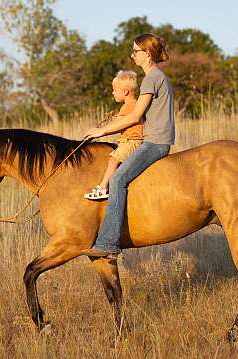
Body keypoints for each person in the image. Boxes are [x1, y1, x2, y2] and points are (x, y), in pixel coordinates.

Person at [81, 33, 175, 258]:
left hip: (155, 142)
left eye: (135, 51)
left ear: (147, 53)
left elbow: (135, 116)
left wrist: (101, 131)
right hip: (155, 139)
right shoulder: (155, 77)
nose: (132, 55)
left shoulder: (152, 78)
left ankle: (108, 243)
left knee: (117, 178)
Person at [84, 70, 144, 200]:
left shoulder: (130, 106)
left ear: (125, 92)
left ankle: (103, 187)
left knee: (113, 159)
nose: (112, 92)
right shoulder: (132, 105)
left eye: (115, 90)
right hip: (128, 140)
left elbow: (119, 125)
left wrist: (101, 130)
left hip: (132, 141)